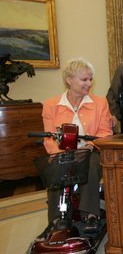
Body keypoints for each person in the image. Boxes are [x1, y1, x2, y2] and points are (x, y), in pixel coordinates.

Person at [38, 59, 113, 239]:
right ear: (69, 80)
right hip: (62, 151)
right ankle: (56, 219)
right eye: (84, 80)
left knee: (89, 166)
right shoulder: (51, 105)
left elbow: (105, 132)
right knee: (57, 169)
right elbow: (48, 137)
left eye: (90, 79)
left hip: (90, 150)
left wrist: (89, 146)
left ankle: (90, 214)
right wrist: (59, 154)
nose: (89, 83)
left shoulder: (100, 103)